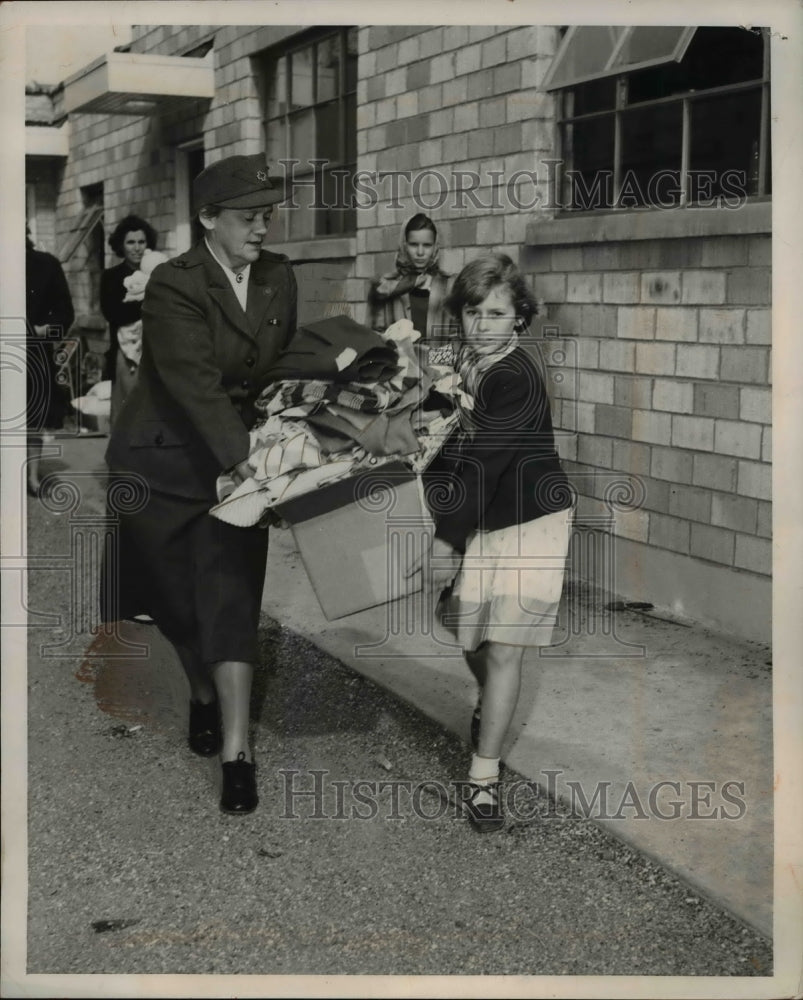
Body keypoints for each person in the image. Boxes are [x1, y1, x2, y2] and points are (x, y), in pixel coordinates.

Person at [100, 154, 296, 814]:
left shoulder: (278, 276)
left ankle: (238, 753)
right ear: (208, 219)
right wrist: (250, 459)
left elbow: (284, 365)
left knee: (232, 600)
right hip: (163, 464)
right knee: (180, 607)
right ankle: (202, 694)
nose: (261, 229)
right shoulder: (173, 283)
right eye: (248, 218)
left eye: (267, 216)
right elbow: (194, 385)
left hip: (234, 463)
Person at [413, 252, 574, 833]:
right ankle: (493, 700)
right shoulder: (464, 364)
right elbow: (436, 434)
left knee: (505, 648)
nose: (483, 324)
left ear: (519, 319)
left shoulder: (516, 375)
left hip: (532, 521)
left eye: (496, 313)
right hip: (483, 518)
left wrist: (444, 541)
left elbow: (485, 463)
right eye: (473, 312)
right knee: (462, 624)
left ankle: (484, 777)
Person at [26, 230, 75, 496]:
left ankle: (32, 476)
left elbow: (66, 314)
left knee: (32, 419)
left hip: (34, 352)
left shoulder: (45, 265)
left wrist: (47, 331)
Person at [100, 214, 159, 423]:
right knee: (127, 413)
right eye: (130, 242)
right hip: (126, 354)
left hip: (157, 351)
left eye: (141, 242)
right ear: (121, 246)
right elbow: (114, 313)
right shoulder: (111, 276)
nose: (137, 248)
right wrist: (149, 303)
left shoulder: (159, 272)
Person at [368, 213, 454, 339]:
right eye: (413, 244)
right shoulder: (386, 287)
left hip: (440, 358)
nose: (420, 252)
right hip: (398, 358)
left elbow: (455, 335)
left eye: (427, 245)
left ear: (435, 247)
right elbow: (376, 334)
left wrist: (433, 357)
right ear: (404, 245)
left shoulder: (447, 285)